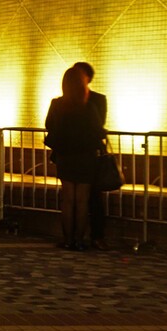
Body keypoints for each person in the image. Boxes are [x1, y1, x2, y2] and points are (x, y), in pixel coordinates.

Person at [44, 65, 105, 250]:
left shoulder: (57, 104)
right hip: (86, 157)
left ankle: (67, 240)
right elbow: (97, 131)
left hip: (65, 156)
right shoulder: (89, 106)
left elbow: (49, 125)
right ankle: (79, 240)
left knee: (68, 200)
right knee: (82, 200)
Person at [73, 61, 110, 249]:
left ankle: (94, 236)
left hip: (87, 154)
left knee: (93, 197)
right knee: (78, 198)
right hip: (81, 153)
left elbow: (98, 125)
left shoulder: (96, 99)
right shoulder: (64, 100)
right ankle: (77, 237)